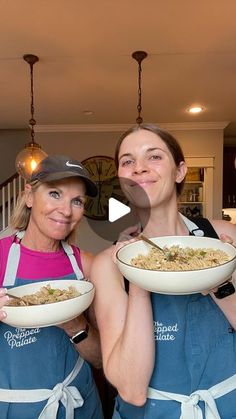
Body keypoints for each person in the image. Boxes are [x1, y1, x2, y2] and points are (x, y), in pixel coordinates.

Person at [90, 123, 236, 419]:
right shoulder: (109, 264)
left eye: (153, 156)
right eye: (127, 161)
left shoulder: (222, 240)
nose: (139, 168)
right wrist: (138, 275)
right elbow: (131, 389)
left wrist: (218, 279)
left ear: (180, 171)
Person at [0, 155, 104, 419]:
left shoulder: (87, 266)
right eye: (55, 193)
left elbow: (103, 359)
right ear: (29, 196)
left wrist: (74, 325)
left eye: (77, 201)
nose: (66, 210)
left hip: (78, 404)